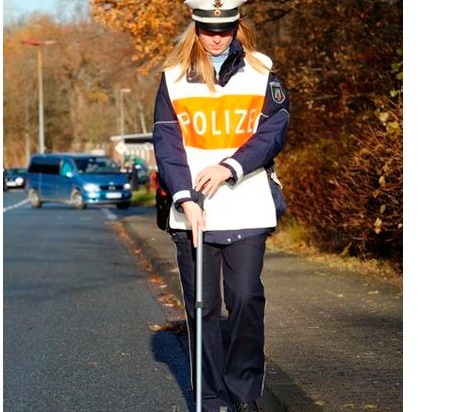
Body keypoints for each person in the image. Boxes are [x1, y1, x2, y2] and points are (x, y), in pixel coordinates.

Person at [152, 1, 290, 411]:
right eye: (208, 30)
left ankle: (243, 394)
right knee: (203, 309)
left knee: (245, 299)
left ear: (236, 26)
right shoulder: (173, 78)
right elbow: (167, 143)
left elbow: (274, 130)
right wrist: (183, 197)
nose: (216, 37)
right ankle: (209, 399)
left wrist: (230, 166)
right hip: (193, 213)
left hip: (246, 204)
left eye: (225, 29)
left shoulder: (262, 73)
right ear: (196, 27)